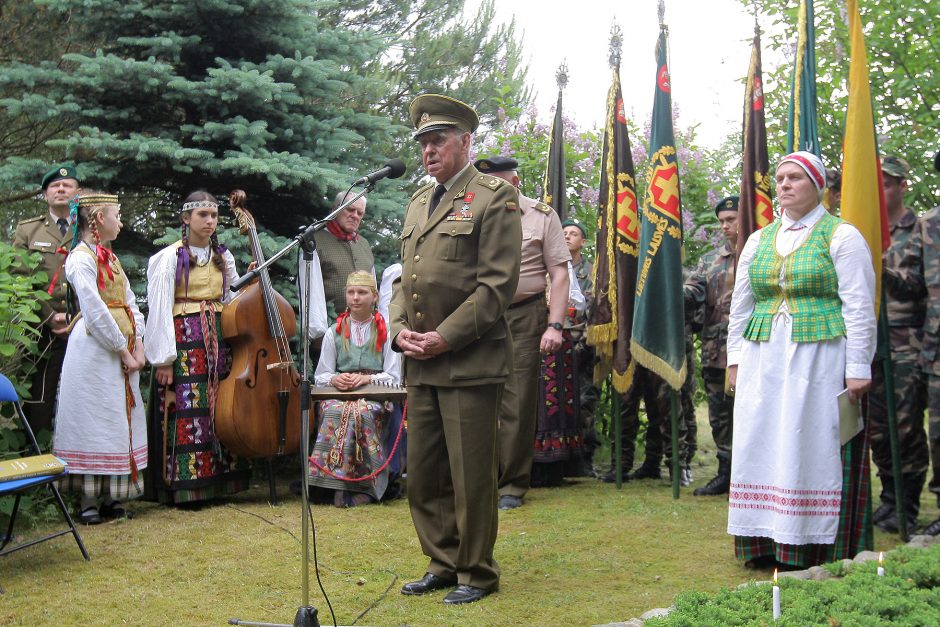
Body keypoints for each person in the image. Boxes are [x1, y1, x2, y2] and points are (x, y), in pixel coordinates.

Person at [391, 94, 521, 605]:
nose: (428, 149)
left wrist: (444, 336)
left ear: (465, 141)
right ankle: (441, 562)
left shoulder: (494, 197)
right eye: (422, 141)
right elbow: (405, 280)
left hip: (468, 359)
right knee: (424, 474)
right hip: (421, 361)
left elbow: (495, 288)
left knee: (470, 477)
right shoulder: (418, 202)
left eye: (437, 139)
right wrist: (400, 328)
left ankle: (476, 572)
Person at [727, 151, 876, 568]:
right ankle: (764, 541)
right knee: (763, 438)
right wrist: (734, 359)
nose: (785, 185)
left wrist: (858, 366)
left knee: (810, 439)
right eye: (780, 178)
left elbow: (859, 306)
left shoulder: (841, 237)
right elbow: (741, 305)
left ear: (818, 185)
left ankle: (811, 543)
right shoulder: (758, 239)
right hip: (764, 358)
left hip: (819, 358)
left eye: (795, 178)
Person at [473, 155, 570, 507]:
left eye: (496, 184)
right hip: (479, 314)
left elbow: (559, 273)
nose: (488, 191)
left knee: (517, 400)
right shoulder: (472, 212)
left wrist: (554, 325)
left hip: (524, 314)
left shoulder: (542, 216)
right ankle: (479, 479)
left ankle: (512, 485)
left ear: (513, 183)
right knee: (477, 395)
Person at [144, 191, 251, 504]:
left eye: (214, 216)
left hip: (219, 339)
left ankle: (222, 482)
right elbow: (160, 308)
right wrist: (163, 360)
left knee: (220, 407)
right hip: (186, 341)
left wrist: (250, 280)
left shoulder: (223, 256)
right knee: (190, 409)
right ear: (186, 218)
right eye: (202, 215)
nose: (209, 221)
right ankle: (189, 487)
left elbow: (232, 298)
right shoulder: (169, 258)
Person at [53, 190, 147, 524]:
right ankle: (88, 500)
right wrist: (122, 348)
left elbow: (130, 301)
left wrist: (140, 348)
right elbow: (93, 310)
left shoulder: (111, 258)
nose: (120, 222)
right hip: (95, 352)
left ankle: (111, 496)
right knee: (94, 418)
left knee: (117, 419)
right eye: (117, 215)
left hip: (121, 352)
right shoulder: (80, 259)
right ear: (98, 220)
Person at [867, 156, 929, 534]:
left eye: (887, 184)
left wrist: (880, 267)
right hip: (870, 345)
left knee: (905, 429)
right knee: (877, 430)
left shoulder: (920, 230)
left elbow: (921, 285)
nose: (880, 191)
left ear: (903, 186)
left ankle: (908, 504)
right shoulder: (864, 229)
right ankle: (889, 498)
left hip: (907, 346)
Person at [308, 271, 401, 507]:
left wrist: (365, 380)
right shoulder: (334, 331)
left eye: (362, 292)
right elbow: (321, 375)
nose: (356, 297)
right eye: (351, 292)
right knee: (333, 412)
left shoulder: (386, 331)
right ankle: (332, 487)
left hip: (376, 396)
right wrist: (335, 380)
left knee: (363, 412)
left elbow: (394, 376)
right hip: (340, 394)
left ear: (375, 296)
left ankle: (368, 488)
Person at [890, 150, 940, 536]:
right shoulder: (930, 226)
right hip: (933, 349)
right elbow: (916, 287)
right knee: (936, 433)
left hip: (920, 346)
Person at [11, 164, 80, 436]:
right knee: (38, 401)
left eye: (67, 185)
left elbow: (101, 279)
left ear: (78, 193)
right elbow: (20, 280)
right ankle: (36, 463)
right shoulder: (29, 231)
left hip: (80, 328)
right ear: (45, 195)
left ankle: (74, 469)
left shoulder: (90, 230)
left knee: (80, 397)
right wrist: (49, 317)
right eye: (54, 186)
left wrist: (77, 317)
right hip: (41, 330)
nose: (61, 189)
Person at [684, 195, 739, 496]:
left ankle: (754, 475)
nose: (725, 226)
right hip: (717, 351)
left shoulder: (762, 253)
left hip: (752, 351)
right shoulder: (710, 261)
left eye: (731, 219)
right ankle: (726, 472)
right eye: (722, 221)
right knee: (720, 416)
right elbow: (693, 289)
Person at [301, 191, 376, 338]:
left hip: (367, 334)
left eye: (360, 213)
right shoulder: (314, 241)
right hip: (330, 334)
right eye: (350, 209)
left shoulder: (364, 245)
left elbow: (373, 288)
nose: (355, 215)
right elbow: (310, 291)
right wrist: (318, 335)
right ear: (336, 209)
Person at [561, 218, 599, 476]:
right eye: (563, 232)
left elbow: (599, 309)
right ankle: (560, 455)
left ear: (582, 242)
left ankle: (585, 458)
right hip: (556, 343)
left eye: (573, 233)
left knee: (585, 401)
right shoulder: (552, 267)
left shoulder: (593, 271)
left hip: (583, 343)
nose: (567, 237)